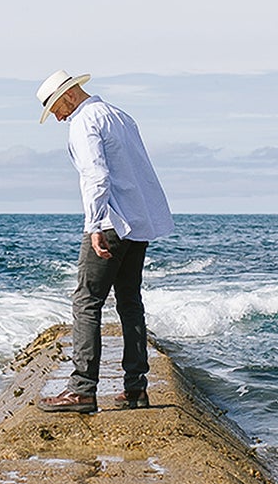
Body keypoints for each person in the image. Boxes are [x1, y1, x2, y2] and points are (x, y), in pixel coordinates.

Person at [35, 70, 174, 412]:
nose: (58, 117)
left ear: (67, 96)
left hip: (111, 222)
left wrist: (95, 224)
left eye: (55, 109)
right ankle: (136, 388)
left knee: (86, 301)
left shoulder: (83, 121)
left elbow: (95, 175)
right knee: (130, 302)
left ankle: (82, 389)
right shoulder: (121, 117)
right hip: (138, 221)